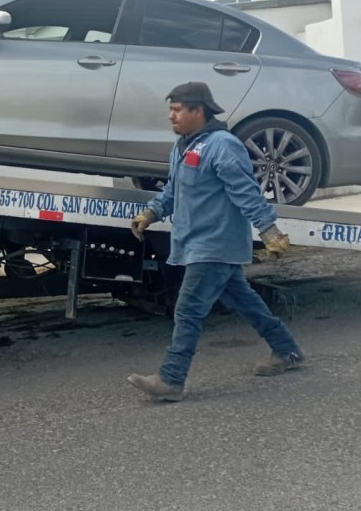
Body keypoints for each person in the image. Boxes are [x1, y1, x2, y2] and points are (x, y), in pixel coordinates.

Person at [127, 81, 304, 402]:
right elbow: (173, 190)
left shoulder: (223, 145)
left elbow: (245, 191)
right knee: (245, 301)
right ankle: (286, 350)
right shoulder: (183, 147)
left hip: (215, 243)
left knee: (188, 310)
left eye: (177, 109)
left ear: (199, 110)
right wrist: (151, 212)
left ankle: (171, 379)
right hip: (196, 242)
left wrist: (269, 232)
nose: (171, 116)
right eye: (170, 109)